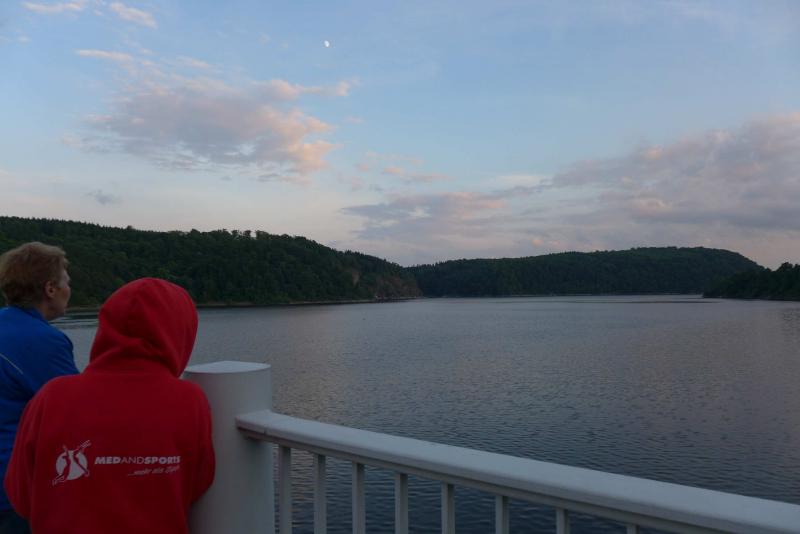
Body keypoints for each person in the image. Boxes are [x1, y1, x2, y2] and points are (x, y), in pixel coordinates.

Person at [4, 278, 215, 534]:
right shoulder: (189, 400)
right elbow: (198, 485)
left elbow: (21, 497)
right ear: (180, 333)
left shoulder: (50, 397)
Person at [0, 242, 78, 534]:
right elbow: (74, 411)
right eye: (66, 281)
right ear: (50, 289)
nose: (69, 289)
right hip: (11, 488)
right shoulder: (44, 341)